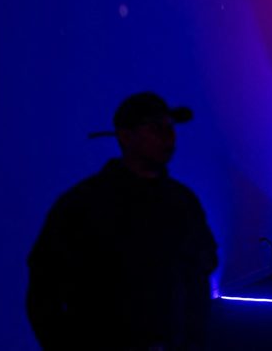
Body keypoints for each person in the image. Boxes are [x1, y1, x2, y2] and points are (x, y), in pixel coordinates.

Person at [26, 91, 217, 351]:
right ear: (125, 136)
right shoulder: (84, 205)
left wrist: (193, 341)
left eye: (170, 127)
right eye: (155, 128)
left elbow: (198, 276)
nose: (168, 136)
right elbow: (44, 290)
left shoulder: (182, 203)